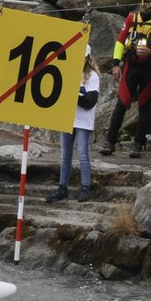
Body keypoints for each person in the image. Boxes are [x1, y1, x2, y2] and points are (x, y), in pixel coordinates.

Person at [49, 51, 102, 201]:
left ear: (88, 58)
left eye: (83, 57)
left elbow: (90, 102)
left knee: (83, 154)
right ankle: (62, 187)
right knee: (65, 155)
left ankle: (85, 187)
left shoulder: (93, 76)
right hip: (67, 119)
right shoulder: (66, 71)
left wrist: (73, 94)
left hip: (83, 121)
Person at [102, 38, 151, 155]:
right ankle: (110, 141)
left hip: (150, 68)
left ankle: (138, 144)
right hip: (131, 64)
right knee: (122, 102)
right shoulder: (132, 20)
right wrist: (116, 64)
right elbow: (120, 40)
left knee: (144, 104)